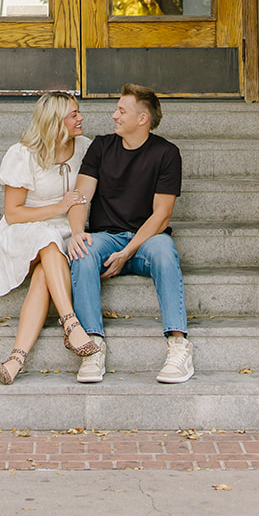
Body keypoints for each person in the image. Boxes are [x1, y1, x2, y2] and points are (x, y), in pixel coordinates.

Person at [67, 83, 194, 384]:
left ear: (142, 119)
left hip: (146, 240)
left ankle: (178, 345)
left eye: (121, 111)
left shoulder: (166, 153)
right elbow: (80, 196)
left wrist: (128, 252)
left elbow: (161, 216)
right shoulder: (101, 147)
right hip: (105, 237)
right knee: (82, 250)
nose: (114, 116)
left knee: (165, 250)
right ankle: (92, 346)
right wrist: (75, 232)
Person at [0, 90, 101, 384]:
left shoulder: (85, 148)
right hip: (24, 230)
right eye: (74, 114)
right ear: (55, 121)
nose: (81, 118)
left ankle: (16, 358)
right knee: (48, 239)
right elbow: (13, 213)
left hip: (62, 232)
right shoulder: (24, 154)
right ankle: (71, 322)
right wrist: (58, 206)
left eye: (78, 112)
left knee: (43, 276)